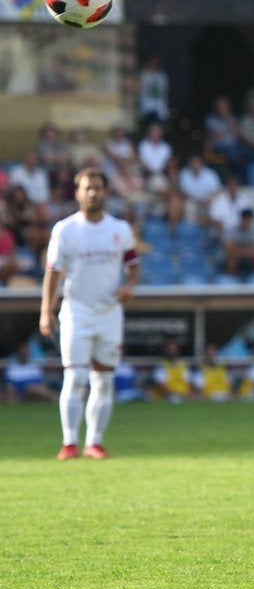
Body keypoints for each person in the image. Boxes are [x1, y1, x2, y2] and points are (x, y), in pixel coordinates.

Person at [40, 168, 140, 460]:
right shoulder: (65, 229)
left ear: (106, 192)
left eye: (97, 187)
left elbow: (133, 266)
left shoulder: (120, 229)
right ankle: (69, 443)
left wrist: (129, 285)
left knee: (104, 380)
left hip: (109, 313)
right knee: (75, 378)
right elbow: (53, 273)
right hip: (77, 312)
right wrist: (46, 311)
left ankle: (94, 442)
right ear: (78, 193)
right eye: (87, 188)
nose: (93, 192)